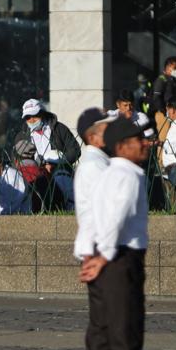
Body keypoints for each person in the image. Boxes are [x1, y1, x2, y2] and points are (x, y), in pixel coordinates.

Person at [76, 117, 170, 350]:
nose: (144, 144)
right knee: (125, 331)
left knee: (101, 333)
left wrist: (89, 253)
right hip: (119, 258)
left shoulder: (107, 174)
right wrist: (103, 256)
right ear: (121, 146)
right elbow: (115, 218)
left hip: (102, 255)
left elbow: (91, 215)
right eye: (137, 141)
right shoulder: (128, 175)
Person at [73, 108, 115, 261]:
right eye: (107, 129)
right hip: (101, 253)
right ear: (92, 137)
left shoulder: (101, 162)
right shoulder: (94, 166)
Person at [13, 99, 81, 166]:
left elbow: (75, 150)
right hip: (34, 175)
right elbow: (16, 159)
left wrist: (58, 161)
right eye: (28, 117)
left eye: (35, 115)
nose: (32, 120)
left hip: (59, 173)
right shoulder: (22, 136)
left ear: (42, 113)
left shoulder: (59, 129)